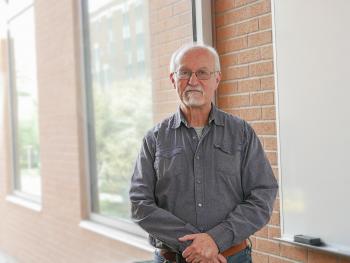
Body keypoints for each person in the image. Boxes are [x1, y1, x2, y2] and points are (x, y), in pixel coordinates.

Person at [129, 42, 278, 263]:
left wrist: (217, 239)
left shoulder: (241, 133)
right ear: (173, 80)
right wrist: (196, 247)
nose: (193, 81)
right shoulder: (155, 139)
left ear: (217, 79)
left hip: (231, 258)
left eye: (202, 73)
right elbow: (139, 203)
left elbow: (263, 195)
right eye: (185, 73)